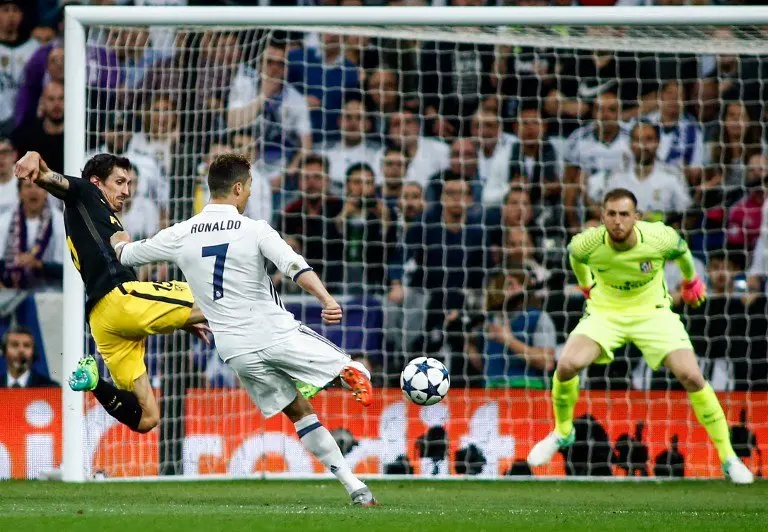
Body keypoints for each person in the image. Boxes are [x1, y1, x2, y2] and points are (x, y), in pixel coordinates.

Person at [112, 153, 376, 506]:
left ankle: (356, 487)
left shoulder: (180, 232)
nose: (250, 193)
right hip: (274, 332)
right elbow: (295, 266)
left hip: (235, 351)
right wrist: (326, 299)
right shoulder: (254, 229)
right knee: (356, 367)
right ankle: (346, 374)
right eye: (249, 186)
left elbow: (126, 255)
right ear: (237, 188)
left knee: (298, 412)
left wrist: (115, 233)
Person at [526, 187, 754, 484]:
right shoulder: (587, 242)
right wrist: (586, 286)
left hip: (653, 313)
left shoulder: (658, 237)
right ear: (603, 216)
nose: (617, 221)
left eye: (624, 214)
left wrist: (691, 282)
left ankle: (728, 457)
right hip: (606, 314)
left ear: (637, 217)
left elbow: (682, 252)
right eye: (611, 214)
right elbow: (575, 257)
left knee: (692, 376)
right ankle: (563, 432)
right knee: (567, 365)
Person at [13, 151, 209, 434]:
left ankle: (94, 382)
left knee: (147, 417)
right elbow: (50, 178)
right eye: (119, 182)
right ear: (97, 182)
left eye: (128, 183)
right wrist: (34, 157)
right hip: (121, 299)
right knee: (219, 297)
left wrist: (181, 317)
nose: (126, 191)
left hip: (103, 322)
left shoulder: (94, 216)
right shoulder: (87, 193)